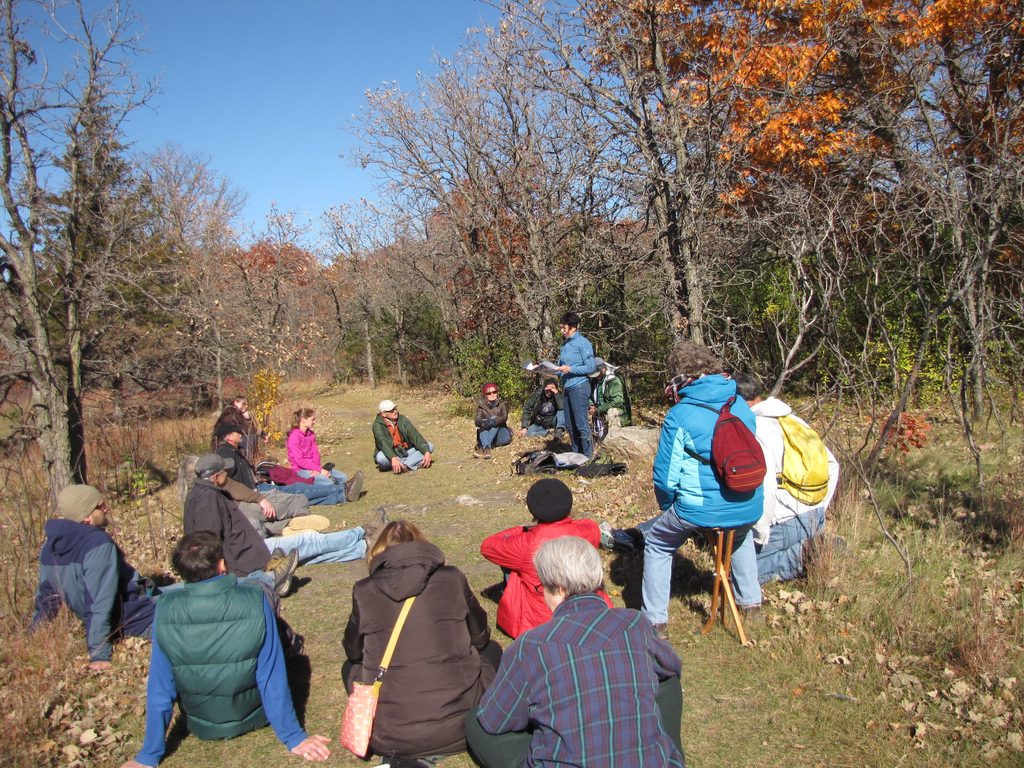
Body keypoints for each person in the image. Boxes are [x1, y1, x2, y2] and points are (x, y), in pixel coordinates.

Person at [465, 536, 685, 768]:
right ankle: (662, 752)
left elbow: (495, 721)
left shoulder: (532, 645)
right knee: (666, 677)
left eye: (543, 588)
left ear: (559, 589)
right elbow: (671, 668)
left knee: (476, 721)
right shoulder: (635, 623)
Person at [119, 531, 331, 767]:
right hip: (254, 714)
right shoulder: (255, 597)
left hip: (199, 723)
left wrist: (149, 754)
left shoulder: (166, 608)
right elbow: (270, 673)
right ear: (222, 563)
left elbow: (161, 685)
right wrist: (293, 736)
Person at [343, 521, 502, 765]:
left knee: (350, 668)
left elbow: (353, 652)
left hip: (391, 737)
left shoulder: (364, 590)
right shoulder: (452, 577)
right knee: (492, 650)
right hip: (461, 727)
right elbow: (480, 638)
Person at [643, 342, 763, 637]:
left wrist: (666, 507)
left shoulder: (680, 414)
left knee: (658, 543)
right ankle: (752, 605)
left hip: (698, 508)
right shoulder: (739, 403)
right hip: (748, 500)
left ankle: (655, 623)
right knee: (741, 534)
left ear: (680, 377)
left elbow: (665, 478)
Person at [184, 454, 380, 596]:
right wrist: (220, 571)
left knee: (312, 555)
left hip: (248, 551)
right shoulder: (206, 500)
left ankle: (363, 547)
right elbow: (206, 540)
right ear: (216, 476)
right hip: (246, 555)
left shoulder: (205, 493)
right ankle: (363, 531)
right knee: (309, 541)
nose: (227, 474)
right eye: (224, 472)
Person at [728, 373, 842, 612]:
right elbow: (833, 465)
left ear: (739, 402)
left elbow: (766, 487)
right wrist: (821, 507)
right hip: (815, 515)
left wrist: (760, 533)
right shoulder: (795, 421)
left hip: (784, 521)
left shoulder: (755, 430)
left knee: (735, 572)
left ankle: (805, 555)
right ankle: (815, 544)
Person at [33, 485, 157, 671]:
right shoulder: (98, 544)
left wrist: (33, 635)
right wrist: (99, 653)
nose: (106, 508)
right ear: (87, 516)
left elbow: (46, 599)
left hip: (138, 603)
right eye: (100, 506)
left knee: (179, 589)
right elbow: (99, 601)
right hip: (139, 617)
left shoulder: (50, 548)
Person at [480, 478, 607, 638]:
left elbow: (488, 546)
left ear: (533, 509)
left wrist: (523, 529)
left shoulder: (527, 543)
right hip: (590, 612)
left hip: (541, 620)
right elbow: (587, 523)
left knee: (510, 561)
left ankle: (510, 595)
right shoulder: (588, 530)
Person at [216, 422, 355, 508]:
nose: (241, 434)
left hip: (257, 486)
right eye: (237, 432)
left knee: (297, 494)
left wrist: (256, 477)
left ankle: (341, 496)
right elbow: (227, 483)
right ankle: (342, 489)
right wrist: (250, 495)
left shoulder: (234, 451)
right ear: (229, 436)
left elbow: (242, 474)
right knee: (296, 490)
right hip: (254, 493)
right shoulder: (225, 454)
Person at [286, 407, 362, 492]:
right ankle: (345, 491)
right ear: (303, 420)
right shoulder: (294, 437)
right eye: (312, 419)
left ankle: (345, 488)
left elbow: (315, 454)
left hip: (314, 468)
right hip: (301, 471)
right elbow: (300, 460)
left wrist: (317, 469)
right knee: (328, 482)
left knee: (342, 477)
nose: (314, 422)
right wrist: (319, 470)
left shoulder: (310, 434)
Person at [555, 311, 595, 457]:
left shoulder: (583, 343)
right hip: (567, 387)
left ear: (572, 327)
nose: (561, 330)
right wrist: (547, 370)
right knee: (570, 425)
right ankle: (576, 455)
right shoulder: (564, 345)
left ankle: (588, 457)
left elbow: (590, 367)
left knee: (581, 424)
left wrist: (570, 369)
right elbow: (560, 368)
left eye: (563, 327)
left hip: (579, 386)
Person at [372, 399, 434, 473]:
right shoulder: (377, 425)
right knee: (380, 458)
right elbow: (383, 443)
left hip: (406, 451)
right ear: (383, 414)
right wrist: (393, 458)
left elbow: (415, 436)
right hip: (390, 454)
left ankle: (405, 465)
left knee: (429, 446)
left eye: (395, 409)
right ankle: (410, 462)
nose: (394, 411)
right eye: (391, 410)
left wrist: (426, 452)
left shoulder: (402, 419)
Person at [210, 395, 262, 462]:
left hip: (229, 439)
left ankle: (248, 462)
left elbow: (248, 429)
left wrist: (247, 417)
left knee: (252, 437)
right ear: (236, 402)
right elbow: (245, 428)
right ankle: (248, 463)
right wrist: (262, 433)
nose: (246, 406)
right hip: (221, 443)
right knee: (251, 438)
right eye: (244, 404)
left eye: (246, 405)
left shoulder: (236, 412)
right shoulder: (230, 412)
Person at [589, 358, 632, 438]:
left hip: (616, 414)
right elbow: (589, 395)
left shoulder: (614, 380)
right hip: (599, 414)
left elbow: (617, 401)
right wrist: (591, 404)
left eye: (598, 373)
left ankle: (613, 438)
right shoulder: (594, 380)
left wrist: (598, 410)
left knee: (612, 412)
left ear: (603, 369)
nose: (596, 376)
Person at [474, 382, 512, 459]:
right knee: (483, 423)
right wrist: (484, 423)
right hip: (490, 438)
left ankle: (482, 447)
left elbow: (504, 417)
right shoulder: (481, 406)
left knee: (494, 419)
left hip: (502, 435)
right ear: (485, 395)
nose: (492, 394)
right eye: (489, 393)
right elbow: (477, 420)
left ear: (497, 393)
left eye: (494, 392)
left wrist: (492, 422)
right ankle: (487, 448)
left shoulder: (503, 404)